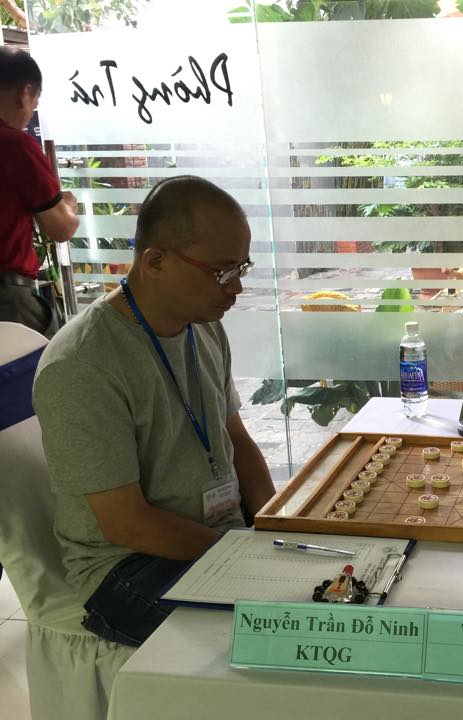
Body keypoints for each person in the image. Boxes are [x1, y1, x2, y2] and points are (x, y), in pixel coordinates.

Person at [33, 176, 275, 647]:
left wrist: (272, 528)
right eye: (222, 271)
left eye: (241, 267)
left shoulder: (202, 324)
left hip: (217, 536)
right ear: (155, 261)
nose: (237, 287)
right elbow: (126, 522)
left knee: (336, 592)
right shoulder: (82, 364)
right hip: (127, 565)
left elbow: (238, 441)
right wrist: (245, 556)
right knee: (275, 631)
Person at [0, 47, 79, 338]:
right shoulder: (15, 145)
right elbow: (61, 228)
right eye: (35, 103)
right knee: (54, 358)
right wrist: (67, 205)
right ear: (24, 93)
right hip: (8, 302)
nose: (31, 113)